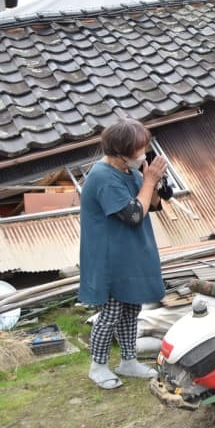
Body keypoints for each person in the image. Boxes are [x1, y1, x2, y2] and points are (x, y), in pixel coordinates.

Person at [79, 118, 169, 389]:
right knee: (111, 312)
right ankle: (98, 365)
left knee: (132, 307)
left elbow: (151, 205)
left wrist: (153, 181)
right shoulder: (103, 178)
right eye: (139, 148)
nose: (143, 153)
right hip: (109, 256)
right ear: (120, 152)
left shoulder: (129, 171)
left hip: (130, 251)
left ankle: (128, 360)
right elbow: (133, 214)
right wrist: (149, 180)